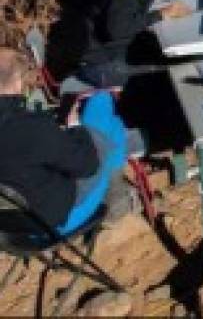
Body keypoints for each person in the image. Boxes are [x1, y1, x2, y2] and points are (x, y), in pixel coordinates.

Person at [0, 49, 128, 234]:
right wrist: (74, 125)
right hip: (53, 222)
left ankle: (118, 198)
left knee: (111, 126)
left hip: (8, 228)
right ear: (18, 82)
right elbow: (88, 165)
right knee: (101, 104)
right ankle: (117, 203)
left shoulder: (30, 127)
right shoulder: (32, 127)